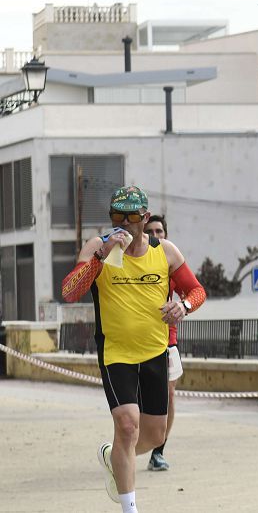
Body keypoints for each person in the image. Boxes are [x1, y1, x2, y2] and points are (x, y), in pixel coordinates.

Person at [62, 186, 207, 512]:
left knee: (154, 436)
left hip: (155, 351)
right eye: (116, 217)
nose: (123, 224)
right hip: (116, 353)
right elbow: (71, 291)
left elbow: (197, 290)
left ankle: (114, 456)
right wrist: (101, 256)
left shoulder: (165, 251)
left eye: (130, 218)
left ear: (144, 218)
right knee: (128, 425)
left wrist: (183, 305)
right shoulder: (99, 247)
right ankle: (130, 507)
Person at [144, 215, 178, 471]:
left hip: (168, 339)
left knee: (169, 395)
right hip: (137, 341)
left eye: (160, 230)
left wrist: (182, 305)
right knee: (138, 401)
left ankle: (159, 450)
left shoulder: (172, 260)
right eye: (151, 231)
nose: (156, 234)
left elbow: (194, 293)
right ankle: (128, 445)